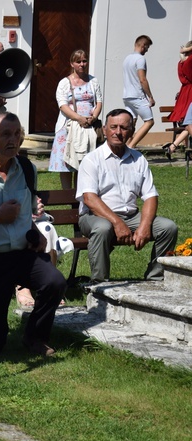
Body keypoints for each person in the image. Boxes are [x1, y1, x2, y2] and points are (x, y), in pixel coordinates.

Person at [0, 112, 67, 357]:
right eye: (5, 134)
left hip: (22, 255)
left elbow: (28, 212)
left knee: (54, 282)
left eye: (17, 134)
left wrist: (34, 232)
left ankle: (35, 338)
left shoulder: (27, 169)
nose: (13, 140)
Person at [76, 109, 178, 282]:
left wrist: (145, 226)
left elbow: (151, 196)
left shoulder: (138, 159)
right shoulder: (92, 159)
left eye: (123, 127)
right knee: (102, 228)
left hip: (131, 216)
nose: (118, 132)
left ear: (131, 130)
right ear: (105, 130)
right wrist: (117, 223)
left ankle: (155, 279)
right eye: (113, 127)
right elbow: (90, 199)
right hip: (95, 216)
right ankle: (99, 285)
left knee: (168, 228)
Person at [48, 49, 103, 189]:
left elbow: (99, 102)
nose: (82, 64)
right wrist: (79, 118)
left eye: (84, 61)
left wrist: (93, 117)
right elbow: (62, 105)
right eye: (78, 61)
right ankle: (67, 194)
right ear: (72, 63)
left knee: (84, 161)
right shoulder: (64, 83)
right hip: (68, 125)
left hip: (88, 126)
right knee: (67, 162)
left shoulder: (93, 81)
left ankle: (80, 194)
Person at [123, 35, 155, 149]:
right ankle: (131, 147)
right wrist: (150, 96)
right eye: (147, 47)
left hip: (127, 96)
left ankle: (122, 146)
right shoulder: (140, 59)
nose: (147, 50)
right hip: (137, 96)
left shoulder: (127, 58)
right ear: (143, 45)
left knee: (131, 123)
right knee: (149, 122)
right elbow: (142, 79)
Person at [164, 41, 192, 159]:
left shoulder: (181, 63)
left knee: (189, 123)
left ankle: (174, 147)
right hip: (190, 92)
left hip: (185, 91)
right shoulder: (190, 61)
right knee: (189, 122)